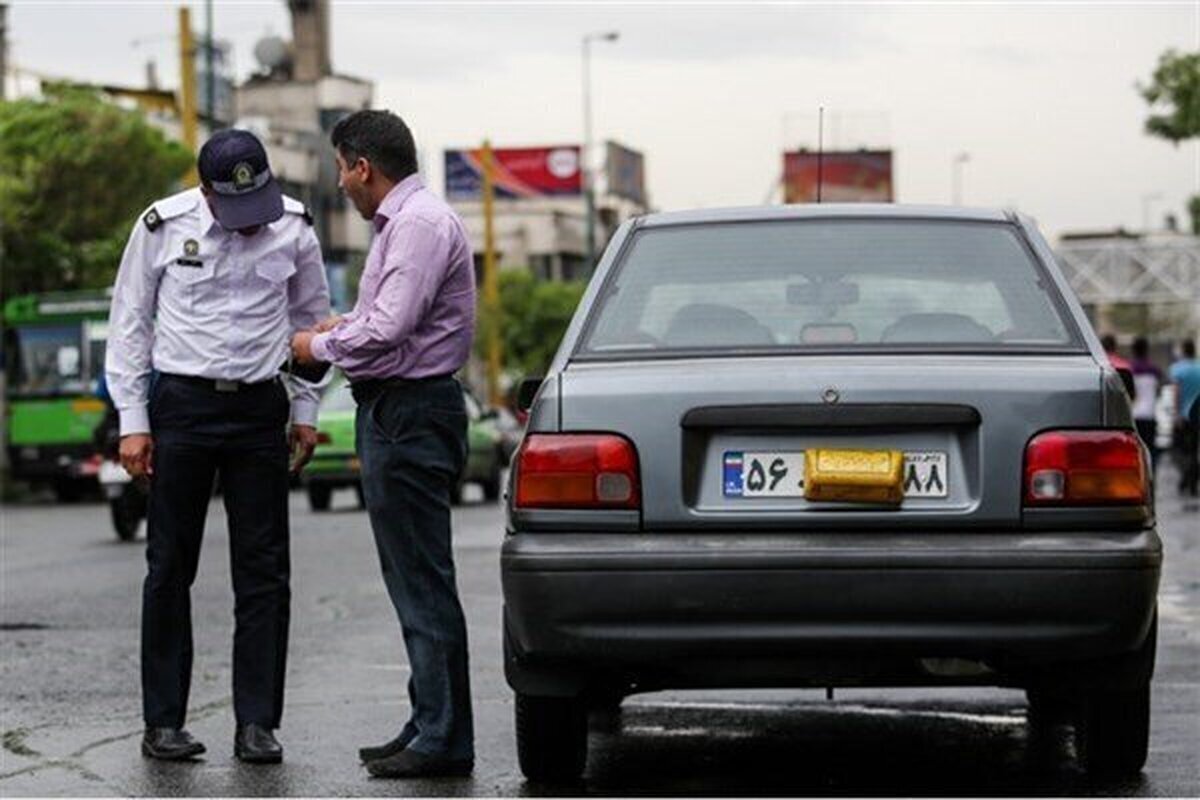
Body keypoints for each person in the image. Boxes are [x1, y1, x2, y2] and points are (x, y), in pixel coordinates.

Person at [106, 129, 331, 763]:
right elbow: (130, 322)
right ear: (204, 192)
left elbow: (311, 324)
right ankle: (163, 723)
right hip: (182, 406)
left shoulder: (294, 228)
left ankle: (257, 723)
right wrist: (133, 419)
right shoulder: (159, 228)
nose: (247, 225)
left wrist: (306, 412)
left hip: (260, 410)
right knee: (170, 568)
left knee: (264, 574)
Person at [291, 110, 476, 778]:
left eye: (341, 168)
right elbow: (386, 319)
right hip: (397, 409)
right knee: (411, 580)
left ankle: (444, 735)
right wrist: (350, 324)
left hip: (410, 411)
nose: (340, 182)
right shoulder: (404, 225)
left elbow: (392, 328)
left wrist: (316, 343)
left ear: (362, 165)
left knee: (422, 580)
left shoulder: (419, 225)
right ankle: (431, 721)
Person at [1169, 338, 1200, 497]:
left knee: (1180, 450)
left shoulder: (1177, 369)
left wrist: (1176, 414)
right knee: (1194, 450)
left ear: (1183, 350)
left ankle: (1186, 479)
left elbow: (1177, 391)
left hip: (1184, 416)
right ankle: (1192, 483)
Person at [1129, 337, 1163, 474]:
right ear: (1146, 350)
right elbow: (1158, 391)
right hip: (1150, 415)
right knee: (1151, 450)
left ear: (1133, 350)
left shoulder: (1130, 369)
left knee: (1136, 451)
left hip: (1135, 415)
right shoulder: (1155, 370)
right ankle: (1151, 477)